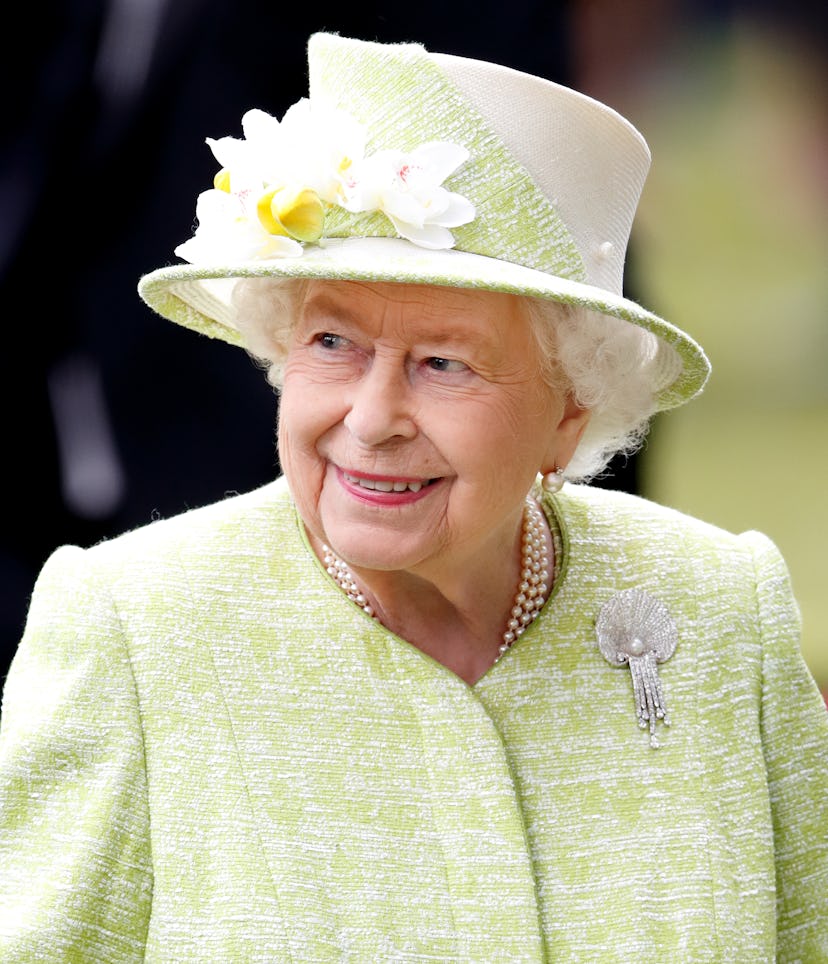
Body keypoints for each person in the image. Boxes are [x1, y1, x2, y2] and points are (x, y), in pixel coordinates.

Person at [0, 31, 825, 962]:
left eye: (443, 363)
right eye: (331, 344)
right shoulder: (134, 626)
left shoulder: (723, 608)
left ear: (570, 410)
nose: (372, 418)